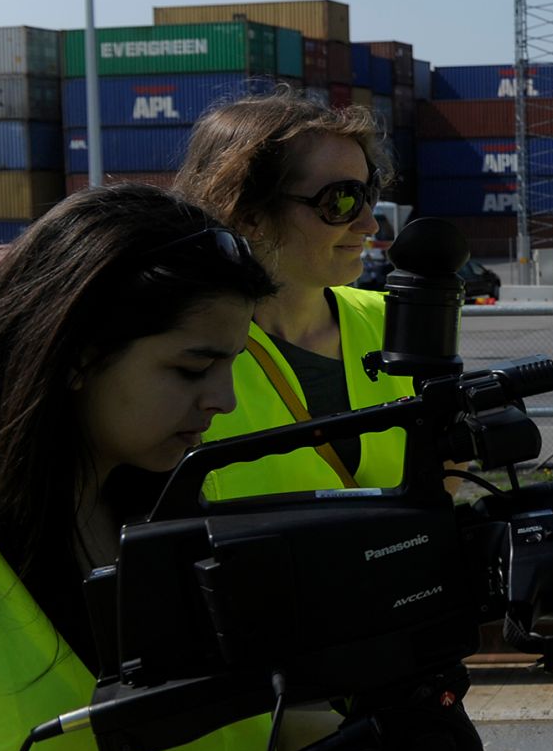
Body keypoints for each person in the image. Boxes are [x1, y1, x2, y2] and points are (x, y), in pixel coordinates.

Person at [0, 184, 310, 751]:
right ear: (77, 354)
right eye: (191, 368)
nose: (225, 400)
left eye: (232, 365)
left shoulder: (168, 514)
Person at [173, 89, 415, 499]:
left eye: (369, 193)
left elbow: (442, 467)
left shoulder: (396, 322)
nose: (369, 225)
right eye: (342, 200)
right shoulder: (175, 353)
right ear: (249, 215)